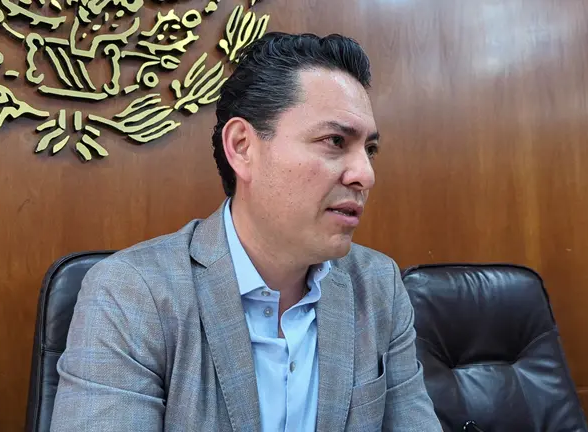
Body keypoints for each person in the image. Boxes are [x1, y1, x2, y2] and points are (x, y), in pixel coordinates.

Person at [51, 32, 442, 431]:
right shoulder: (132, 294)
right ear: (242, 147)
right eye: (335, 141)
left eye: (369, 150)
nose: (365, 175)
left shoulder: (377, 286)